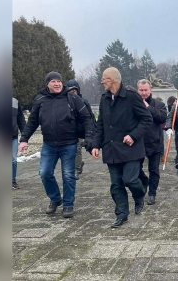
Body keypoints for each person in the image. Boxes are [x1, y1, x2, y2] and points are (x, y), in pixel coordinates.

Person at [19, 71, 94, 218]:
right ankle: (55, 199)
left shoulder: (72, 98)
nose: (57, 83)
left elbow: (86, 118)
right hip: (49, 145)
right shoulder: (40, 100)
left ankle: (68, 204)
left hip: (69, 144)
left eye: (59, 81)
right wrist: (24, 139)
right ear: (48, 84)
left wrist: (90, 136)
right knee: (45, 173)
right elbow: (32, 122)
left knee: (68, 175)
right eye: (53, 81)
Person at [90, 67, 152, 227]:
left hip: (131, 148)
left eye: (104, 78)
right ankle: (122, 214)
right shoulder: (104, 99)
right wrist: (95, 144)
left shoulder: (131, 97)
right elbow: (100, 125)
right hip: (111, 149)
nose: (102, 81)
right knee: (116, 184)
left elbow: (147, 119)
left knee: (130, 179)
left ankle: (139, 195)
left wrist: (133, 135)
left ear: (112, 80)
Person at [136, 79, 167, 205]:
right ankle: (144, 182)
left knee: (154, 170)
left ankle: (152, 193)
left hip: (155, 142)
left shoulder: (158, 104)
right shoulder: (133, 104)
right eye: (141, 90)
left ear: (150, 90)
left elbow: (162, 118)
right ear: (138, 90)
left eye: (146, 90)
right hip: (138, 142)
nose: (143, 93)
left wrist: (148, 107)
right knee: (135, 169)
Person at [66, 79, 96, 180]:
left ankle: (76, 169)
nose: (72, 93)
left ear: (78, 90)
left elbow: (90, 117)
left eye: (74, 91)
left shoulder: (83, 102)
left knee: (77, 149)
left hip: (80, 130)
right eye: (70, 91)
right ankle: (75, 166)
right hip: (69, 131)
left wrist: (92, 131)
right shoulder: (65, 102)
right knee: (70, 150)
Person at [12, 97, 26, 190]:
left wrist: (25, 137)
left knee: (13, 159)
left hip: (13, 136)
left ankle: (12, 180)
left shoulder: (15, 102)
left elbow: (20, 120)